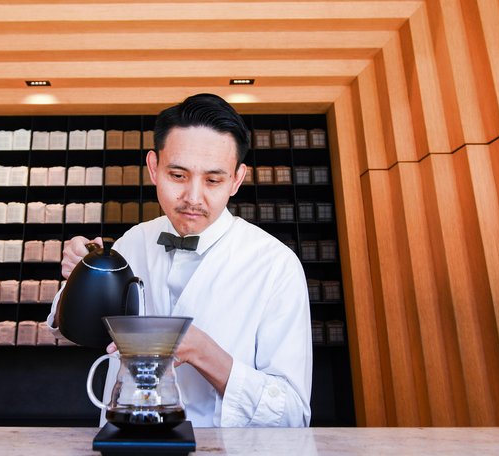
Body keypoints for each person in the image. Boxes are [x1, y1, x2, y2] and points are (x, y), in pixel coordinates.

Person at [48, 93, 312, 427]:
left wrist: (204, 353)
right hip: (125, 443)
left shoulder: (276, 266)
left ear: (237, 179)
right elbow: (67, 329)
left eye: (213, 180)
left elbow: (292, 415)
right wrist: (80, 276)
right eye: (177, 175)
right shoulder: (133, 241)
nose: (193, 197)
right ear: (154, 168)